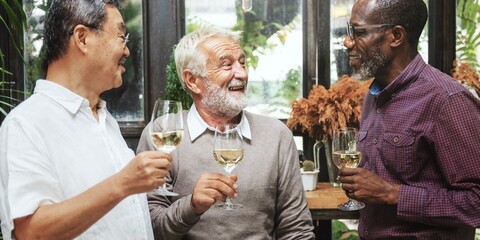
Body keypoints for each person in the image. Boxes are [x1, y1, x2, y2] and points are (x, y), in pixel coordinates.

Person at [0, 0, 172, 239]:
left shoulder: (105, 119)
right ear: (82, 38)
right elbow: (30, 232)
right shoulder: (26, 124)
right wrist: (122, 183)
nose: (127, 50)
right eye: (122, 37)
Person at [137, 27, 315, 239]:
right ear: (192, 80)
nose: (242, 73)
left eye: (242, 62)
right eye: (227, 65)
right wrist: (192, 206)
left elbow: (296, 230)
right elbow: (149, 227)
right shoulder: (162, 133)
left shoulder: (276, 135)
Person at [339, 0, 480, 239]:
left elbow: (476, 201)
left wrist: (392, 194)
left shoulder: (447, 100)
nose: (347, 41)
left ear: (395, 36)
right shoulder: (373, 96)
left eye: (359, 32)